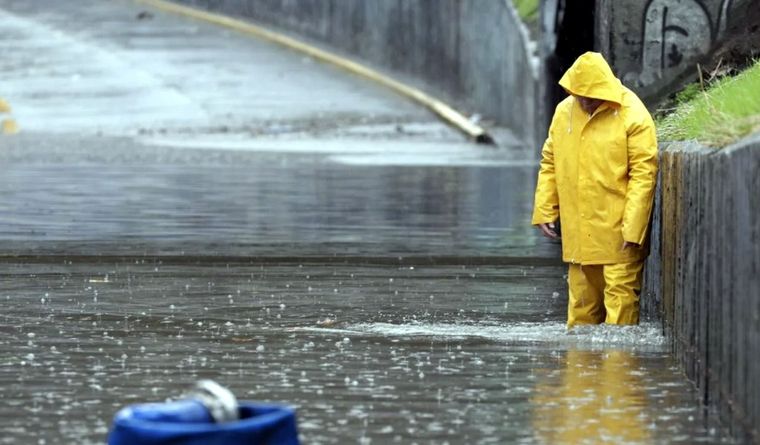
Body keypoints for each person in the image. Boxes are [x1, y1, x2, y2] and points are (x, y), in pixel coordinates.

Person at [532, 52, 658, 328]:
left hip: (619, 234)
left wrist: (634, 228)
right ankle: (580, 368)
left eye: (590, 95)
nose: (584, 102)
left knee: (620, 310)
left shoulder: (632, 114)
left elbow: (643, 173)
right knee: (581, 312)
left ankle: (619, 367)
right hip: (580, 234)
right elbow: (551, 161)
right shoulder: (565, 111)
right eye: (578, 95)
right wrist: (545, 208)